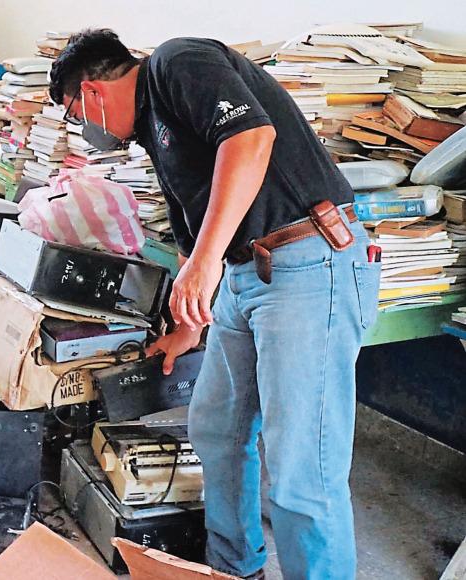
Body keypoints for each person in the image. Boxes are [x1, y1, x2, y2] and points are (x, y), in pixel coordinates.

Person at [50, 31, 380, 579]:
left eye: (72, 113)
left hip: (308, 263)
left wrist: (206, 265)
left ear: (90, 92)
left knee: (303, 467)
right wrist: (186, 325)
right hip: (246, 276)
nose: (84, 129)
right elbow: (191, 226)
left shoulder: (178, 63)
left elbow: (250, 138)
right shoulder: (155, 131)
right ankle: (233, 570)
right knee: (218, 432)